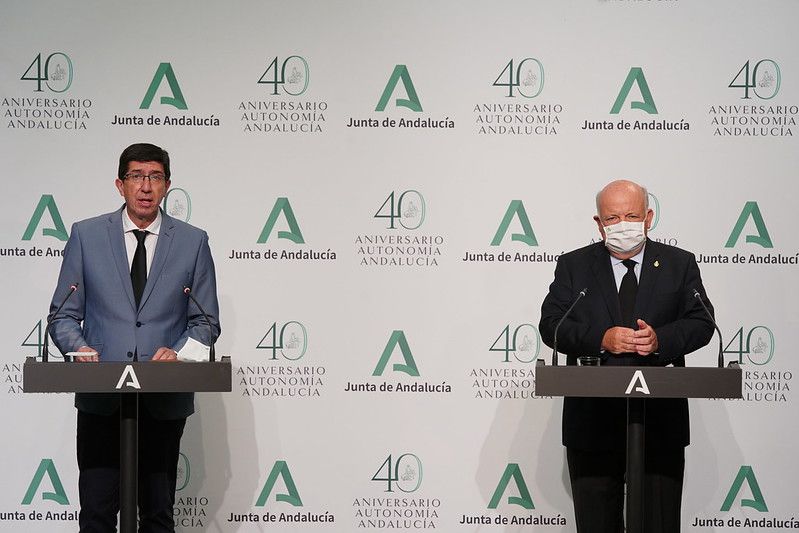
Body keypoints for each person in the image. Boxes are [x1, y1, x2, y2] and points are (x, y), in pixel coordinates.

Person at [47, 143, 221, 533]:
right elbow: (63, 315)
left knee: (158, 516)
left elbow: (206, 322)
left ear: (168, 185)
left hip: (162, 402)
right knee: (96, 516)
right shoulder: (86, 236)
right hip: (101, 400)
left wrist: (178, 354)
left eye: (155, 177)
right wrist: (77, 347)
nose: (145, 186)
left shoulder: (193, 242)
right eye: (136, 176)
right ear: (120, 184)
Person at [539, 179, 714, 533]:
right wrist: (601, 338)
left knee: (659, 525)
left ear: (649, 217)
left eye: (631, 215)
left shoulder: (680, 264)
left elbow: (702, 322)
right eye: (613, 217)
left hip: (659, 423)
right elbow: (551, 325)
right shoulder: (574, 266)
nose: (622, 225)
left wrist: (660, 340)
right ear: (598, 222)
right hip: (591, 424)